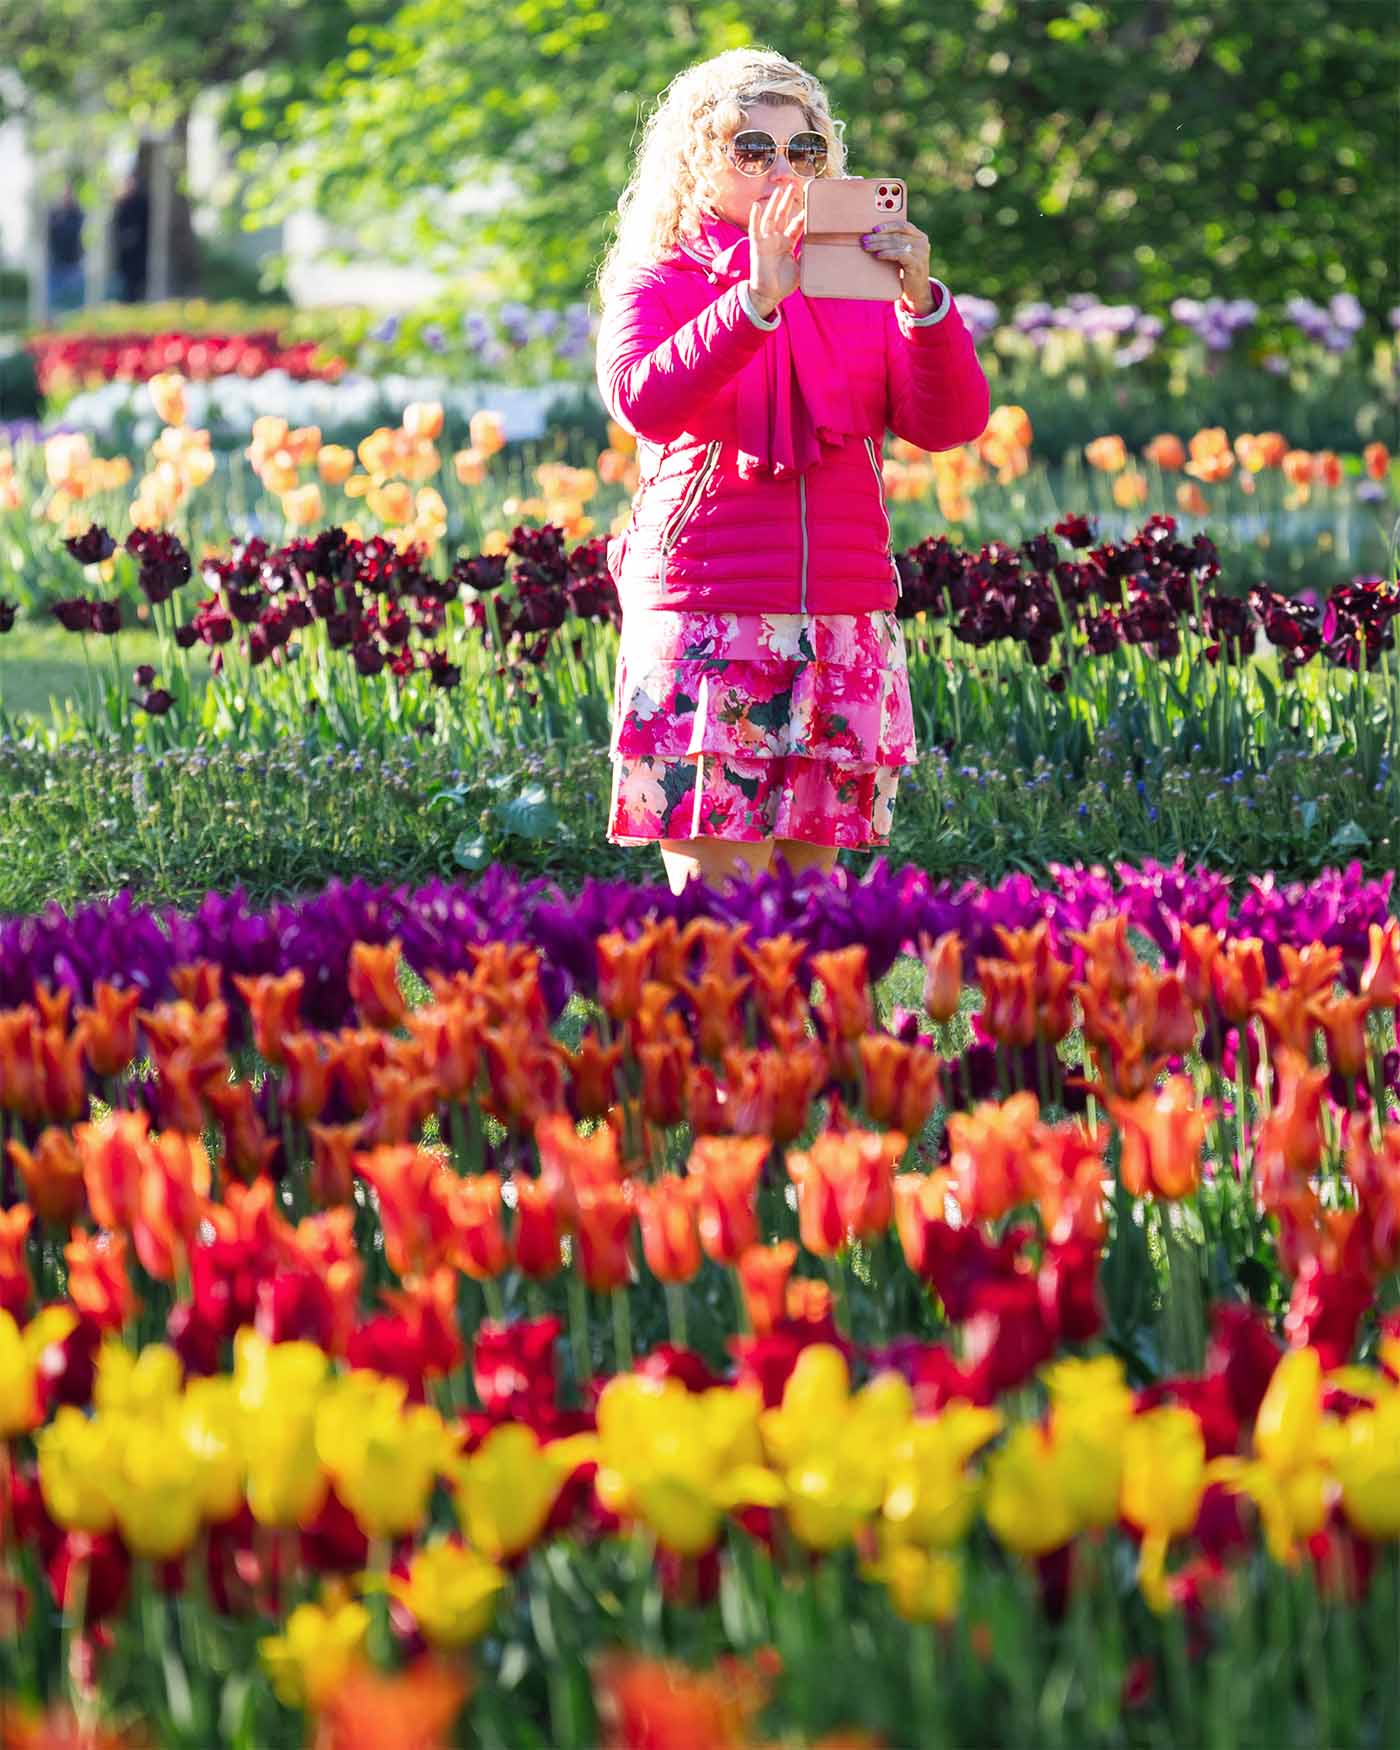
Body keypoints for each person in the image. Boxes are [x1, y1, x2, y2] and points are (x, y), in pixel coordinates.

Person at [594, 48, 989, 897]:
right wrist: (752, 304)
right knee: (723, 905)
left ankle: (817, 1039)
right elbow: (640, 400)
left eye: (803, 152)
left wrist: (925, 306)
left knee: (814, 914)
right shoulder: (660, 274)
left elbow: (947, 423)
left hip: (839, 617)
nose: (782, 169)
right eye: (754, 150)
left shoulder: (858, 281)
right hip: (711, 616)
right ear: (700, 162)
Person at [111, 169, 150, 303]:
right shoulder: (120, 203)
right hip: (125, 252)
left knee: (137, 282)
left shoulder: (142, 201)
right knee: (126, 283)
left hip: (139, 251)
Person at [46, 182, 86, 314]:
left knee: (76, 304)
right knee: (52, 305)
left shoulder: (78, 214)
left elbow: (75, 232)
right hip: (56, 263)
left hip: (73, 262)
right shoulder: (54, 214)